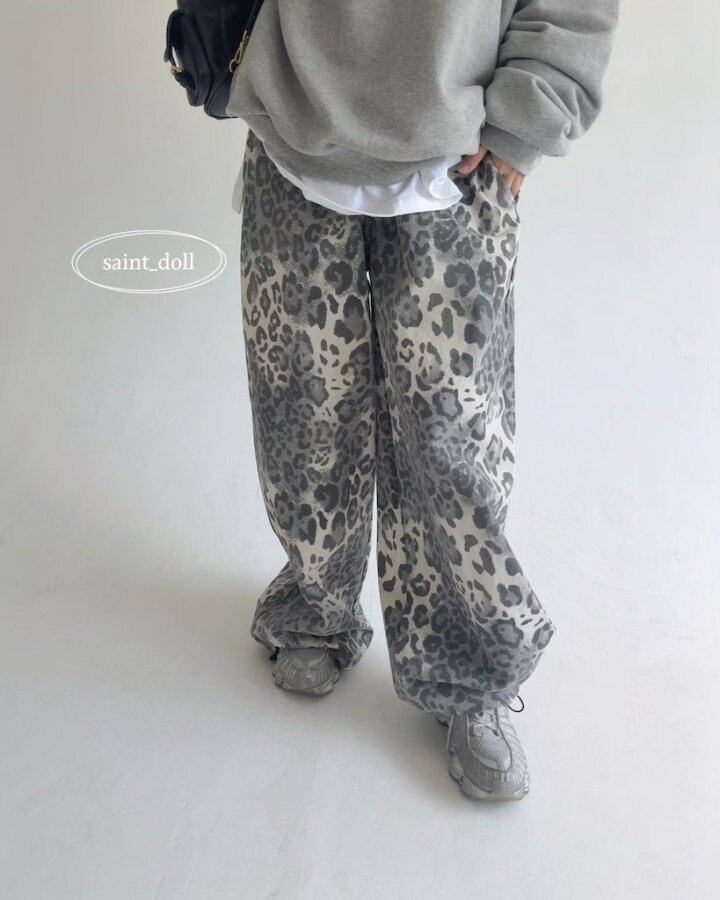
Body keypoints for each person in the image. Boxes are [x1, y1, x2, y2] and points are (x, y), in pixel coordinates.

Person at [227, 0, 619, 801]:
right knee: (302, 410)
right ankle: (315, 605)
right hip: (292, 137)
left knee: (454, 439)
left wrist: (529, 116)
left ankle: (468, 668)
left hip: (457, 157)